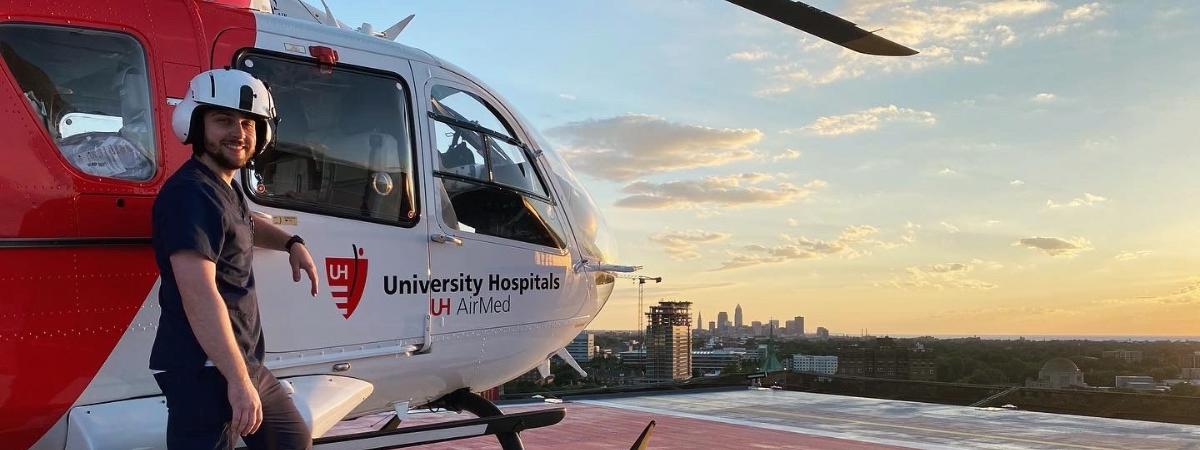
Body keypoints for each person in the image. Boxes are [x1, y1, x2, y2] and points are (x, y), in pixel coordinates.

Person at [151, 68, 318, 450]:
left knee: (290, 442)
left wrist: (292, 242)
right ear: (195, 125)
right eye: (223, 120)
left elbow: (244, 222)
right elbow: (199, 295)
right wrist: (238, 381)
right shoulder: (190, 194)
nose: (238, 133)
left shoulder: (221, 188)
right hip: (204, 368)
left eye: (247, 123)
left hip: (239, 362)